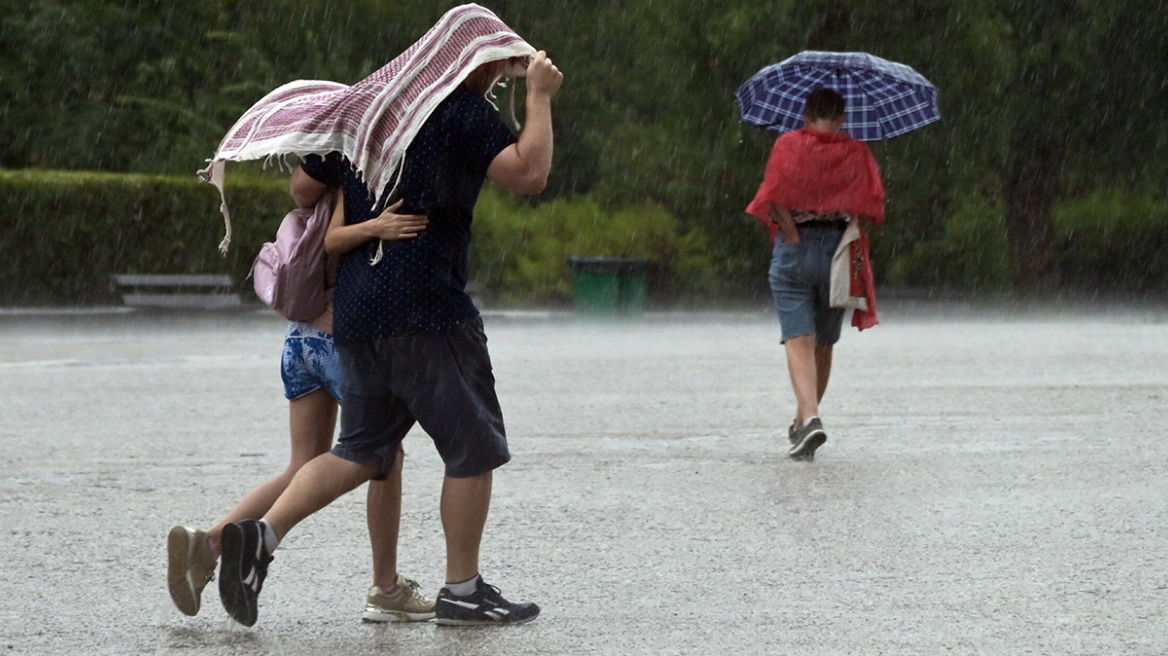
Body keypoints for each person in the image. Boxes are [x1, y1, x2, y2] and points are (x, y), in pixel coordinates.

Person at [214, 30, 563, 628]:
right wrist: (539, 97)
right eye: (497, 67)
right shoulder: (460, 110)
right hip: (428, 308)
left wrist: (363, 186)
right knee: (472, 448)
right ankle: (463, 591)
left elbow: (303, 187)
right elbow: (530, 173)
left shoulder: (369, 109)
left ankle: (261, 539)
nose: (496, 78)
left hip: (356, 311)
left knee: (361, 451)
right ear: (470, 61)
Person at [166, 191, 435, 623]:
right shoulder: (359, 178)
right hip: (338, 343)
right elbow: (338, 244)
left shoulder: (319, 182)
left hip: (299, 340)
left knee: (302, 465)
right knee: (386, 453)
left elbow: (305, 202)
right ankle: (386, 588)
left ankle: (211, 544)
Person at [745, 87, 886, 461]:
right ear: (842, 117)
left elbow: (772, 194)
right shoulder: (857, 151)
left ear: (805, 116)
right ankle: (804, 423)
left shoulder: (788, 145)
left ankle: (808, 418)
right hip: (838, 254)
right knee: (823, 342)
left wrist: (791, 232)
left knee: (798, 339)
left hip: (795, 250)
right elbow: (870, 204)